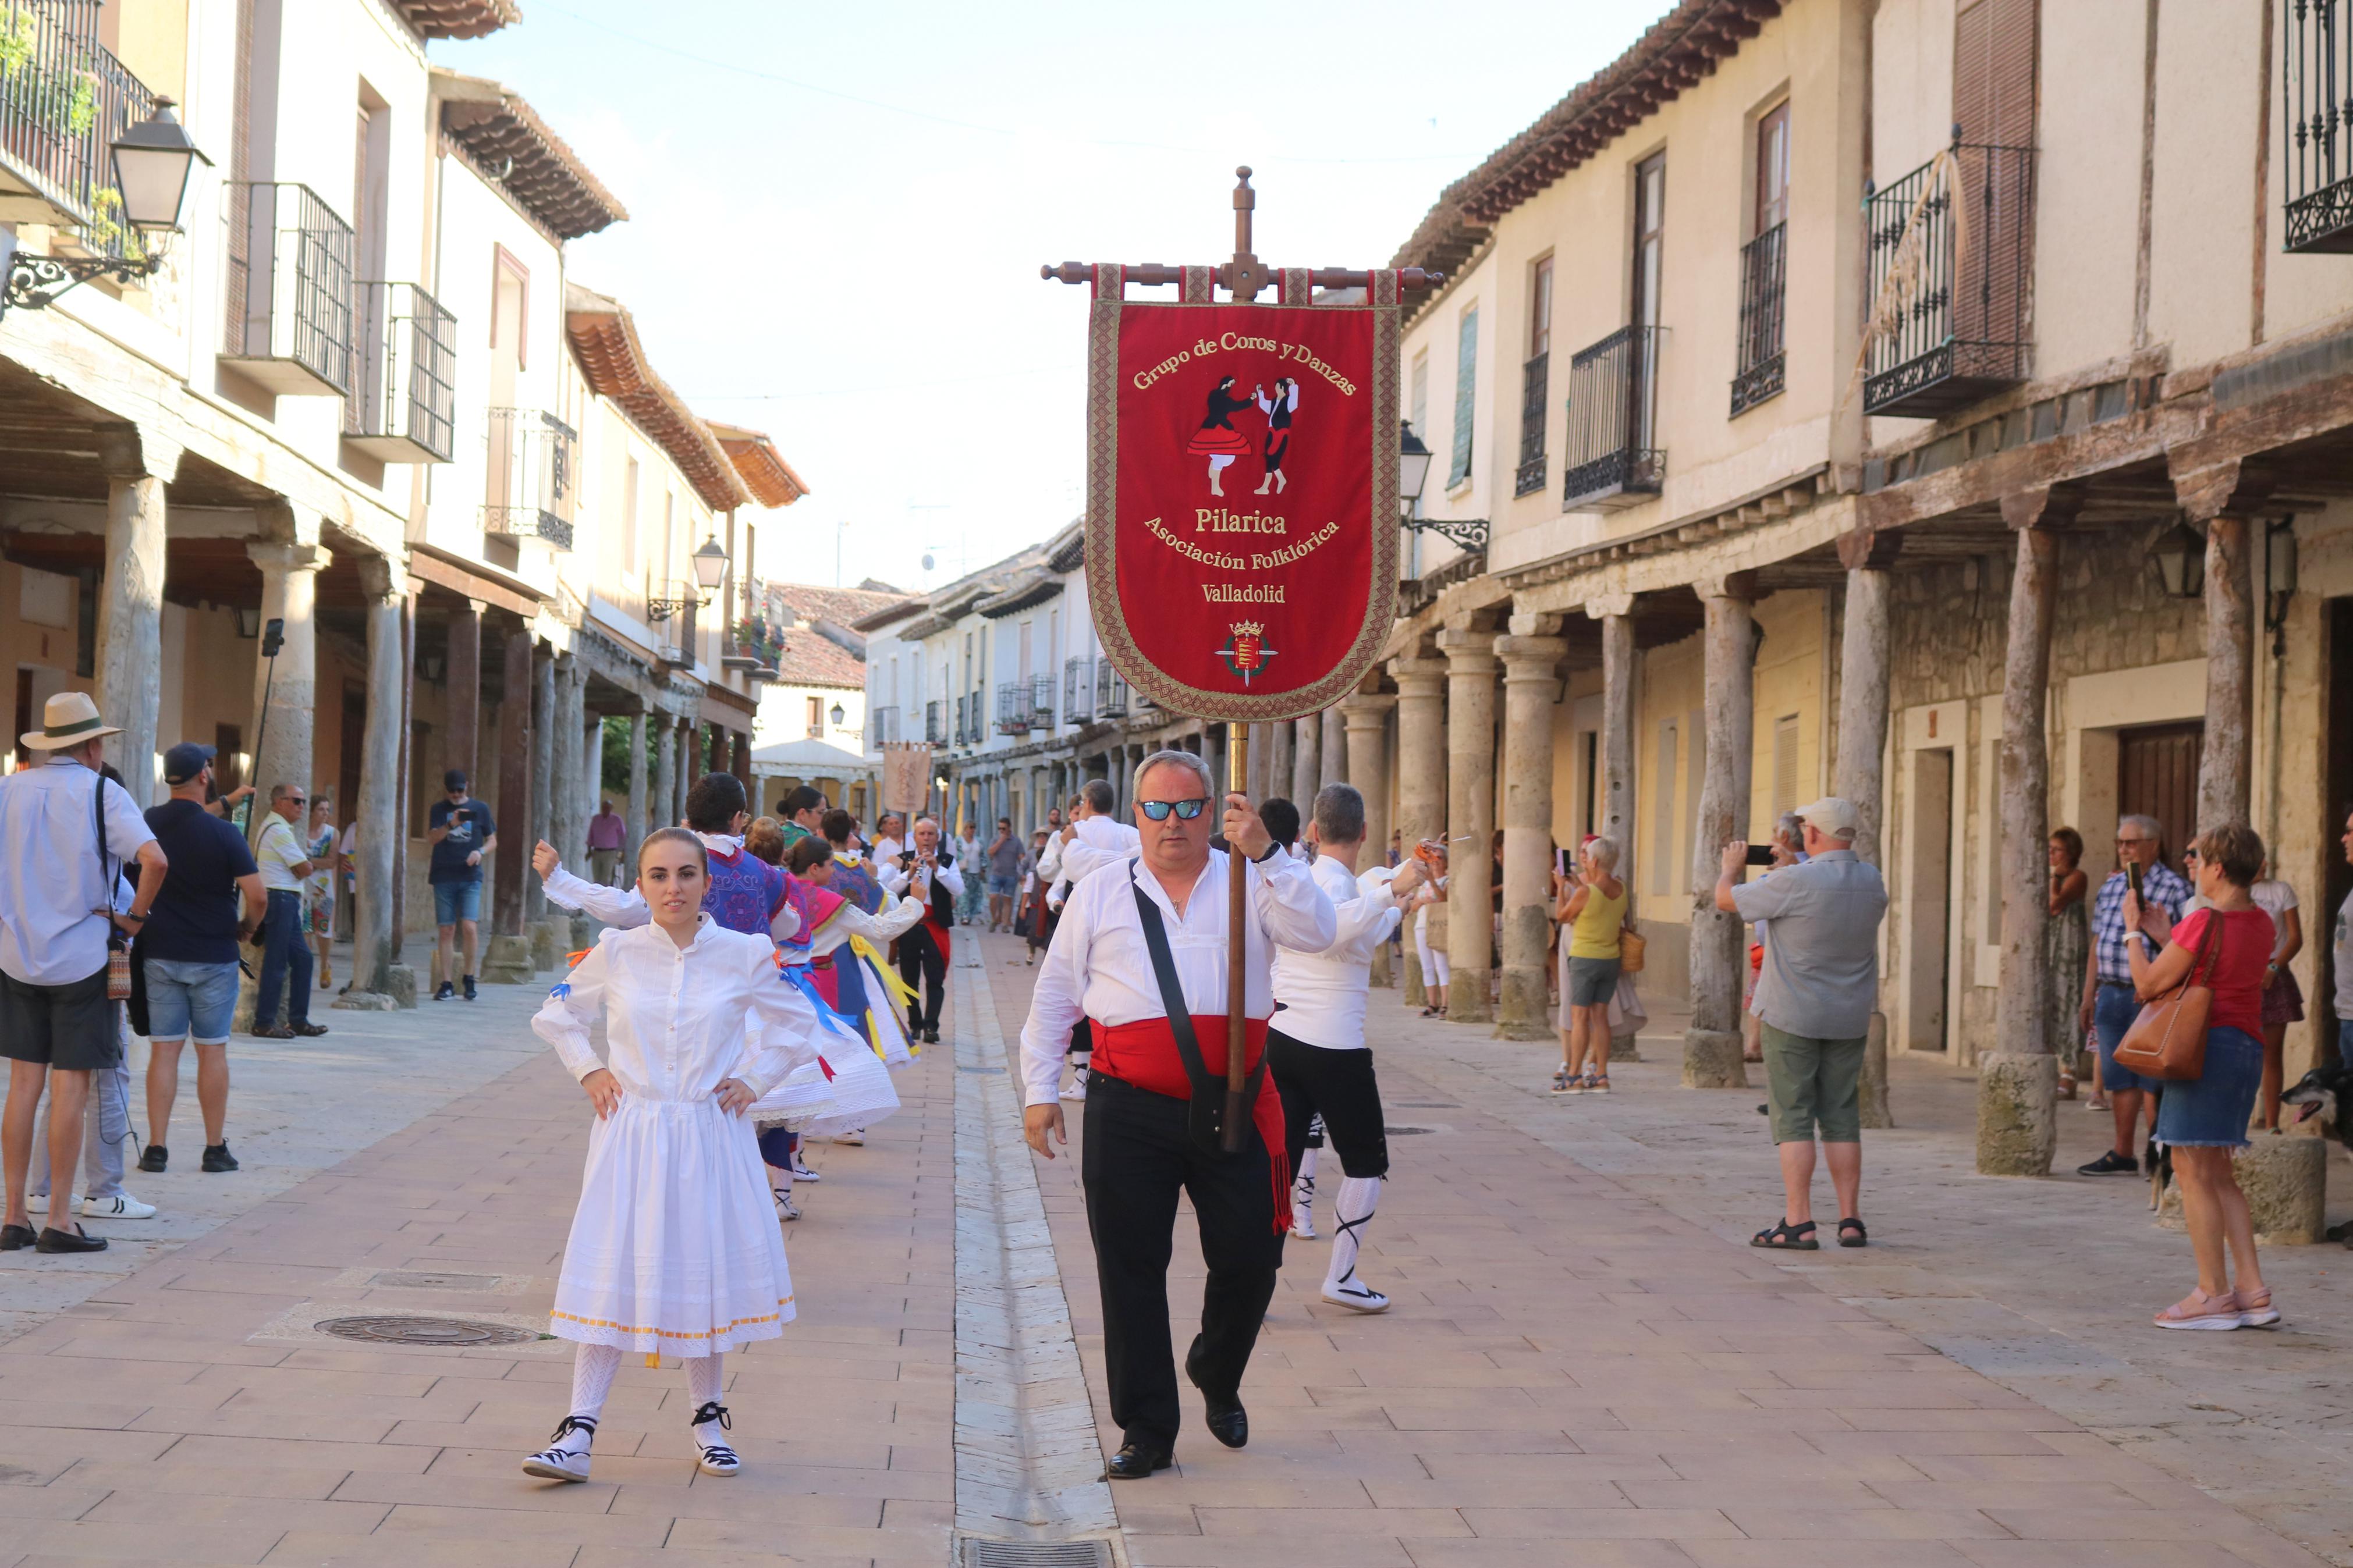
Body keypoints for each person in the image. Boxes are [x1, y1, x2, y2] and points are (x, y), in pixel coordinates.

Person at [1020, 749, 1336, 1478]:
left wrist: (1269, 854)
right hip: (1126, 1107)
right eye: (1156, 808)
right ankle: (1147, 1428)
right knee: (1130, 1267)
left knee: (1252, 1257)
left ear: (1214, 813)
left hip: (1235, 1103)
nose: (1172, 823)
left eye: (1189, 807)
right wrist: (1039, 1091)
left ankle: (1216, 1369)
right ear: (1135, 816)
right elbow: (1054, 997)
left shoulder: (1251, 883)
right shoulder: (1100, 893)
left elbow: (1317, 932)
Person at [520, 829, 822, 1484]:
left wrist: (753, 1080)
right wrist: (590, 1071)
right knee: (612, 1269)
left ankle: (707, 1421)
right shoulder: (619, 950)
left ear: (707, 882)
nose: (672, 888)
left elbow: (796, 1026)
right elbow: (556, 1013)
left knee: (700, 1273)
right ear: (640, 883)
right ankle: (577, 1430)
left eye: (686, 874)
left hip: (710, 1132)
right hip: (632, 1131)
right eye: (657, 875)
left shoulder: (744, 953)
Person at [1, 693, 167, 1256]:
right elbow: (156, 859)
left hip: (19, 955)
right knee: (70, 1087)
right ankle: (60, 1220)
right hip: (82, 959)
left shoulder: (10, 789)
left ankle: (14, 1214)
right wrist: (135, 919)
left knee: (24, 1086)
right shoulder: (103, 791)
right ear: (94, 745)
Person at [1268, 782, 1428, 1313]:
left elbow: (1360, 931)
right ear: (1363, 832)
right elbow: (1337, 930)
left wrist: (1401, 899)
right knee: (1364, 1163)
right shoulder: (1338, 893)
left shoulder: (1304, 877)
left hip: (1283, 1039)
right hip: (1334, 1045)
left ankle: (1255, 1281)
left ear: (1312, 831)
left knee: (1279, 1165)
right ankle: (1341, 1275)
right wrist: (1390, 892)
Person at [1713, 796, 1888, 1250]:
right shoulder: (1873, 881)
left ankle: (1798, 1220)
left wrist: (1731, 866)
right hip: (1848, 1014)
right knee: (1840, 1117)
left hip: (1792, 1013)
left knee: (1793, 1118)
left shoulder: (1794, 880)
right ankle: (1850, 1219)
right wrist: (1791, 866)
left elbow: (1725, 900)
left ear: (1812, 832)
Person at [2124, 822, 2279, 1329]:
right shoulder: (2261, 922)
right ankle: (2253, 1291)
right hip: (2244, 1047)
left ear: (2216, 866)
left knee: (2190, 1172)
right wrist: (2166, 935)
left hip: (2202, 1050)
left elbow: (2148, 983)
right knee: (2220, 1173)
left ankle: (2211, 1294)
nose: (2190, 865)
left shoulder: (2203, 921)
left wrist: (2131, 932)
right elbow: (2220, 969)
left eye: (2196, 857)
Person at [138, 744, 265, 1178]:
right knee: (212, 1053)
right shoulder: (225, 834)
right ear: (205, 775)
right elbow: (259, 895)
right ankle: (214, 1148)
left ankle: (156, 1148)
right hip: (213, 954)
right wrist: (247, 928)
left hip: (159, 952)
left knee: (164, 1051)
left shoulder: (147, 823)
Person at [2076, 815, 2190, 1176]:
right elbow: (2097, 944)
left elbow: (2182, 947)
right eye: (2120, 843)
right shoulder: (2111, 887)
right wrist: (2088, 995)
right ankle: (2122, 1153)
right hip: (2111, 992)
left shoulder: (2175, 888)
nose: (2124, 849)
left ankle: (2159, 1158)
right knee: (2118, 1076)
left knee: (2153, 1080)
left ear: (2153, 846)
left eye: (2132, 843)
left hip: (2153, 996)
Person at [1049, 779, 1143, 1101]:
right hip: (1126, 916)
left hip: (1083, 913)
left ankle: (1081, 1076)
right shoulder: (1130, 835)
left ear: (1086, 802)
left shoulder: (1073, 834)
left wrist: (1070, 848)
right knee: (1118, 988)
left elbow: (1048, 870)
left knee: (1076, 992)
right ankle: (1109, 1069)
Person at [252, 783, 328, 1040]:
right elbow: (304, 869)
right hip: (280, 899)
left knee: (303, 959)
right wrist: (305, 865)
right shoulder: (278, 831)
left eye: (303, 801)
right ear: (279, 802)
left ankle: (297, 1020)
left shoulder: (281, 829)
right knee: (276, 962)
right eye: (296, 801)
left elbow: (302, 867)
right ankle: (263, 1022)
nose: (302, 806)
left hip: (287, 900)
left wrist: (304, 865)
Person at [1553, 836, 1627, 1096]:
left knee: (1580, 1018)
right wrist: (1575, 883)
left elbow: (1562, 916)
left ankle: (1573, 1076)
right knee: (1601, 1018)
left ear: (1594, 861)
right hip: (1610, 959)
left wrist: (1562, 886)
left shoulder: (1586, 892)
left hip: (1585, 958)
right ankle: (1601, 1075)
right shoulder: (1621, 888)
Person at [427, 769, 496, 1002]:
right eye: (452, 791)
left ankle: (469, 976)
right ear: (445, 789)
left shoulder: (480, 809)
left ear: (467, 786)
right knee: (447, 929)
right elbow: (432, 839)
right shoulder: (439, 810)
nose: (456, 795)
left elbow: (493, 840)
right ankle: (446, 982)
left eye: (460, 790)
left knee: (470, 927)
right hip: (443, 875)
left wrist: (480, 852)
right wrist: (451, 824)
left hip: (470, 876)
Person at [894, 815, 963, 1044]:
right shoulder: (903, 860)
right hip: (910, 926)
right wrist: (909, 873)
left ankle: (931, 1026)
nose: (926, 838)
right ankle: (914, 1024)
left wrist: (938, 869)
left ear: (938, 838)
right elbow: (888, 889)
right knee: (909, 978)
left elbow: (959, 889)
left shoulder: (947, 860)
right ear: (914, 838)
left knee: (936, 979)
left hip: (935, 925)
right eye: (922, 834)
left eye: (930, 834)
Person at [2249, 859, 2304, 1131]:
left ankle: (2272, 1124)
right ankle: (2237, 1119)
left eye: (2264, 858)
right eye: (2256, 858)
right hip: (2242, 974)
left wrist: (2274, 968)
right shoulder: (2233, 890)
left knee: (2271, 1053)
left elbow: (2295, 938)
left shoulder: (2280, 890)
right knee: (2239, 1050)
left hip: (2273, 974)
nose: (2264, 863)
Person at [2047, 829, 2091, 1100]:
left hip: (2070, 946)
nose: (2051, 854)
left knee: (2070, 1000)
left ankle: (2070, 1071)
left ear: (2071, 853)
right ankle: (2054, 1065)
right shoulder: (2052, 877)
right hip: (2051, 947)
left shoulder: (2078, 877)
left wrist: (2053, 879)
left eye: (2057, 849)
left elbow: (2054, 904)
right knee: (2051, 1002)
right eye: (2049, 849)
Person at [303, 792, 338, 992]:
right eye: (321, 809)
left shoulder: (332, 833)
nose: (325, 813)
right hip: (304, 885)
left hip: (324, 888)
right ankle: (307, 969)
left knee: (323, 928)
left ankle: (325, 963)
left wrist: (307, 862)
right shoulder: (301, 831)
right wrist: (315, 863)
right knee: (305, 928)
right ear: (312, 811)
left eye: (327, 809)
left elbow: (331, 861)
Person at [985, 817, 1023, 932]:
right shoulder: (995, 839)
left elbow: (1021, 858)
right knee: (993, 897)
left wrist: (1022, 873)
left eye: (1004, 828)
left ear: (1009, 828)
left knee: (1008, 900)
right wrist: (1001, 841)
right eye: (999, 828)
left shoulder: (1016, 841)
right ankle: (994, 919)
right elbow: (990, 853)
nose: (1001, 831)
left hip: (1011, 875)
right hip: (996, 874)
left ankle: (1005, 924)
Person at [585, 798, 626, 886]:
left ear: (611, 808)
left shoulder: (617, 820)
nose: (605, 809)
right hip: (597, 851)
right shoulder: (596, 819)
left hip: (610, 852)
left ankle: (605, 898)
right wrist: (589, 851)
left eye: (608, 807)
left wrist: (622, 853)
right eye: (604, 807)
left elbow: (623, 836)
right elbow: (591, 834)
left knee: (606, 878)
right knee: (597, 877)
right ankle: (597, 897)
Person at [775, 785, 826, 851]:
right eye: (821, 812)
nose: (824, 817)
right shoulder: (809, 843)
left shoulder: (775, 835)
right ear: (802, 814)